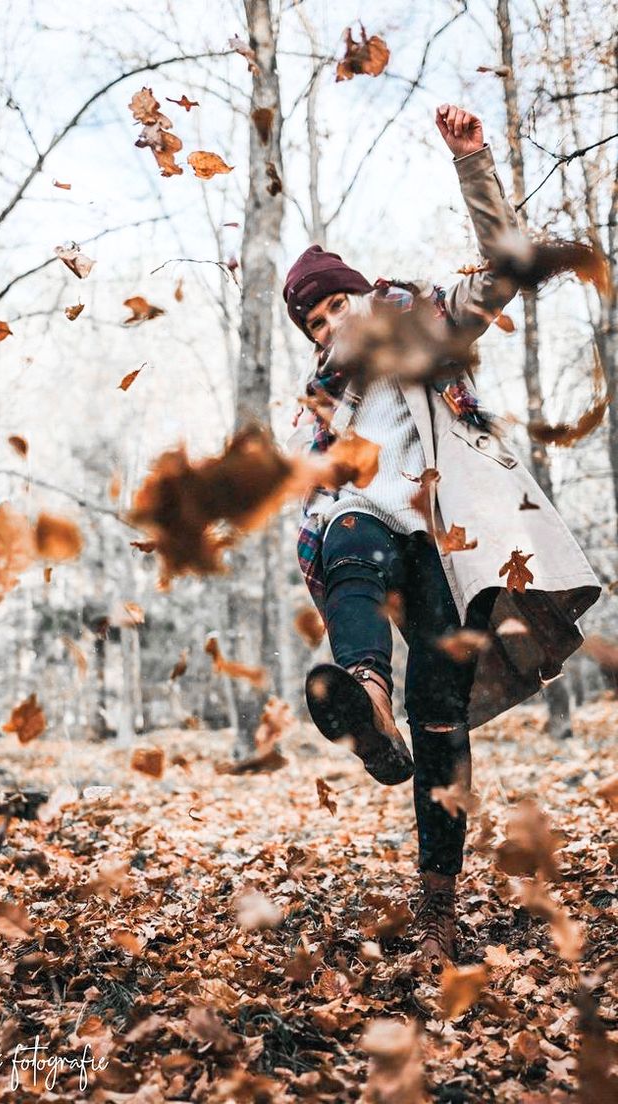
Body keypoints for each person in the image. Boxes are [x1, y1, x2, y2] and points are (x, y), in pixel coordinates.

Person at [282, 103, 601, 968]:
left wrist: (473, 164)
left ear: (365, 295)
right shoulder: (320, 412)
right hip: (370, 535)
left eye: (334, 305)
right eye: (312, 324)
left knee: (441, 725)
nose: (327, 326)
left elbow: (507, 265)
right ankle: (364, 697)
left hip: (452, 552)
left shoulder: (425, 324)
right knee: (345, 529)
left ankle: (437, 911)